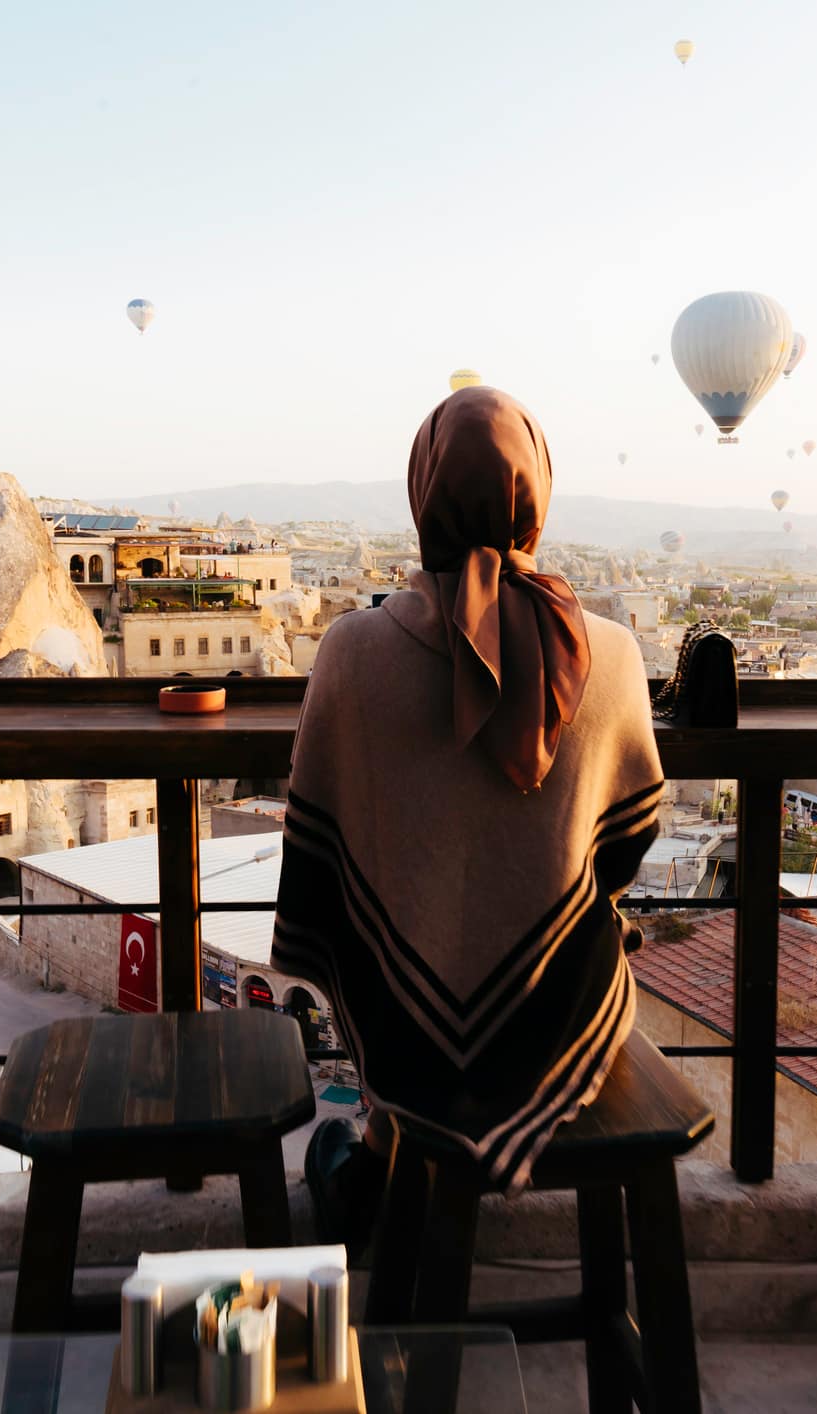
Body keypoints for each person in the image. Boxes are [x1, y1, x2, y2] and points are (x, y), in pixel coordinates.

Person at [276, 386, 663, 1227]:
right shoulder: (617, 655)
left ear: (423, 492)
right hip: (564, 1018)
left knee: (380, 1098)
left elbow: (315, 853)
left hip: (402, 1042)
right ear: (540, 493)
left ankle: (379, 1162)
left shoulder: (351, 651)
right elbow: (627, 849)